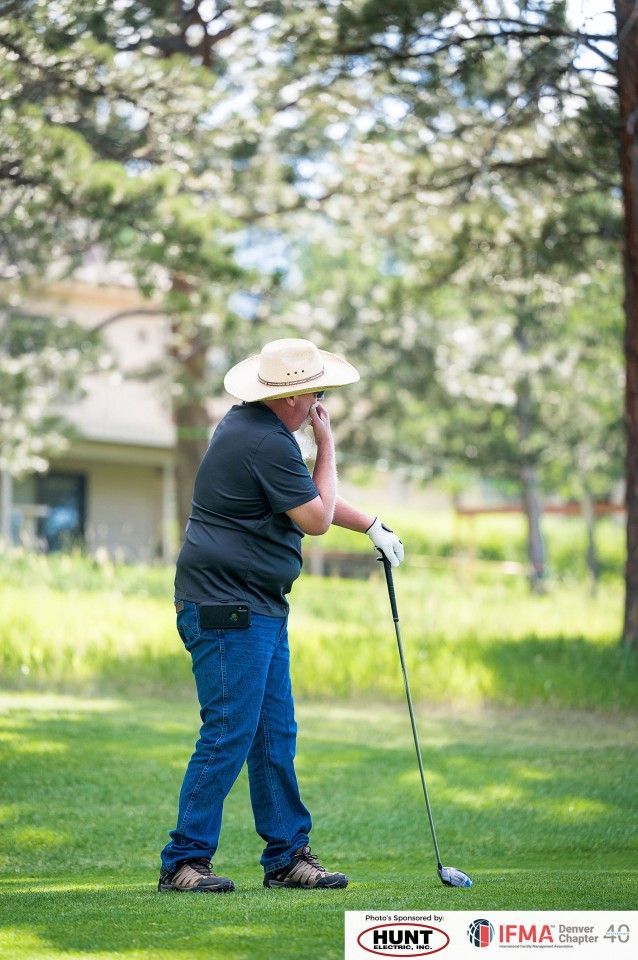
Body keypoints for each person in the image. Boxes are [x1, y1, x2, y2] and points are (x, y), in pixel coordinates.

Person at [158, 337, 404, 893]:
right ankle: (183, 862)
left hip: (257, 603)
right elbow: (314, 519)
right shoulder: (263, 440)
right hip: (226, 605)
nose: (321, 400)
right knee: (229, 732)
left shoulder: (257, 431)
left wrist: (370, 524)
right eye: (316, 391)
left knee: (274, 734)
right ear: (294, 396)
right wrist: (328, 447)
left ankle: (288, 858)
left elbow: (305, 499)